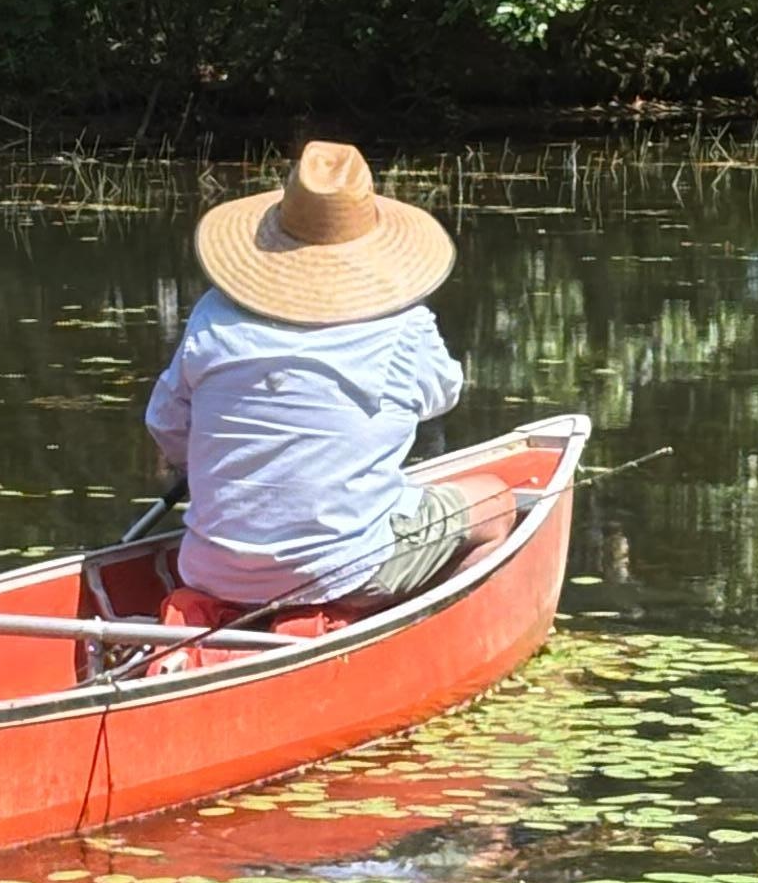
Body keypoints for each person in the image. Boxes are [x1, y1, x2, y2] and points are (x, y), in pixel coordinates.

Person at [144, 141, 515, 614]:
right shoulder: (402, 322)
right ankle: (401, 630)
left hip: (210, 571)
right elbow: (442, 392)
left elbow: (166, 423)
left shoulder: (213, 314)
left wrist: (198, 471)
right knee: (497, 502)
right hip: (345, 571)